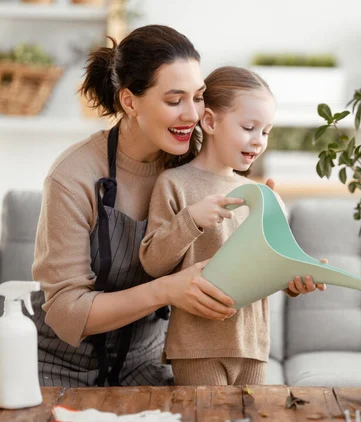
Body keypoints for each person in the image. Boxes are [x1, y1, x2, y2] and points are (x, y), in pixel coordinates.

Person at [31, 25, 241, 387]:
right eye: (174, 101)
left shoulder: (193, 165)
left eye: (198, 97)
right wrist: (167, 290)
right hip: (56, 368)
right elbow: (66, 311)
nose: (192, 115)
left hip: (145, 368)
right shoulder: (73, 175)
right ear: (129, 101)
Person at [139, 66, 326, 386]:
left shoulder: (264, 196)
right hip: (196, 348)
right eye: (249, 127)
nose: (258, 141)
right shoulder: (175, 184)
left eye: (266, 131)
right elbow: (153, 263)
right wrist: (191, 219)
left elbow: (267, 270)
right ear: (210, 122)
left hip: (253, 346)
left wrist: (295, 279)